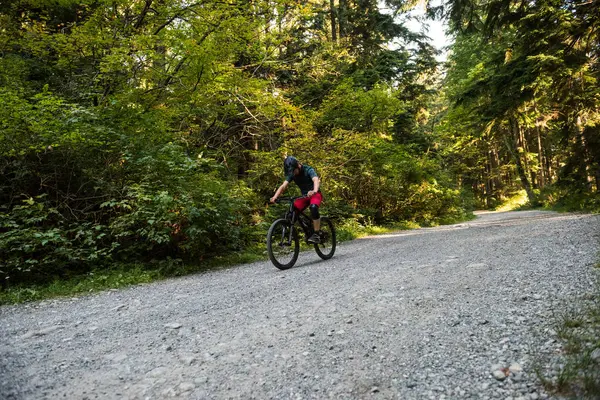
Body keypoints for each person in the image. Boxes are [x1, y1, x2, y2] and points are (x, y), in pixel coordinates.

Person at [270, 156, 323, 244]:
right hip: (304, 197)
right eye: (291, 172)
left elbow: (316, 180)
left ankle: (316, 234)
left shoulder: (308, 169)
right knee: (292, 213)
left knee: (313, 208)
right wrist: (275, 196)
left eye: (294, 171)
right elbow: (283, 186)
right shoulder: (292, 174)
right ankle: (293, 234)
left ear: (298, 166)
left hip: (315, 194)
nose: (293, 173)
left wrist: (314, 190)